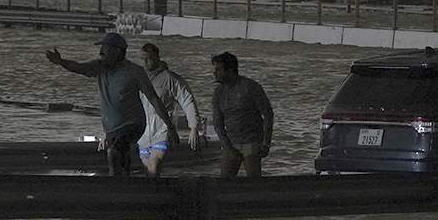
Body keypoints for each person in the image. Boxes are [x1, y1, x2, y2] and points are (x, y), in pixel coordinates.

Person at [45, 32, 174, 178]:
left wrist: (170, 127)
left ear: (118, 51)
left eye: (105, 49)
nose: (101, 52)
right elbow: (78, 67)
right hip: (112, 128)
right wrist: (61, 61)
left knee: (114, 152)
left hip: (133, 124)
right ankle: (126, 187)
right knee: (121, 160)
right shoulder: (99, 67)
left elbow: (153, 98)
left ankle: (116, 186)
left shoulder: (135, 72)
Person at [136, 42, 202, 177]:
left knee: (154, 165)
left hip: (162, 131)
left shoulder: (170, 79)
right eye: (143, 59)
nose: (146, 62)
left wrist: (193, 127)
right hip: (143, 134)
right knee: (147, 170)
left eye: (149, 58)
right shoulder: (139, 79)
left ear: (157, 58)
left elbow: (187, 100)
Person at [209, 51, 274, 179]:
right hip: (231, 141)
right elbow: (218, 123)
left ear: (230, 70)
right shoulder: (218, 92)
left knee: (253, 181)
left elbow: (268, 114)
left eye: (218, 69)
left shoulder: (250, 87)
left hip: (252, 141)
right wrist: (227, 146)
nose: (214, 73)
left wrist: (266, 143)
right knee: (224, 182)